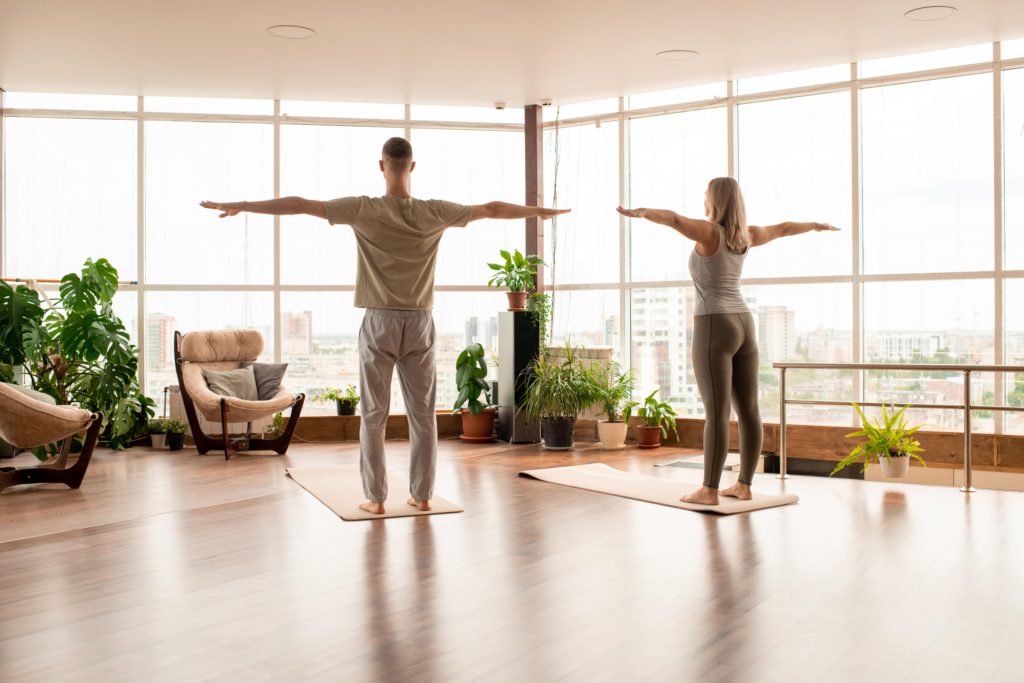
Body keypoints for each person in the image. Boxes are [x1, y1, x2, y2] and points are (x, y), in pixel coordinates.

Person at [202, 136, 568, 515]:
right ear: (412, 166)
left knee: (374, 415)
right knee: (422, 416)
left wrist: (240, 206)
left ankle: (375, 500)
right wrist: (537, 212)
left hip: (379, 321)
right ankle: (422, 495)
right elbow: (491, 208)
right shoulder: (435, 211)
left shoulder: (364, 209)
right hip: (420, 322)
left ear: (382, 166)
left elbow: (297, 204)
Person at [618, 177, 837, 505]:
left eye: (706, 194)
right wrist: (816, 225)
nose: (703, 198)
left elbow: (676, 219)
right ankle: (743, 485)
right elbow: (785, 228)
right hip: (745, 324)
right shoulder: (746, 235)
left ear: (715, 200)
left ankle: (708, 490)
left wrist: (644, 212)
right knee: (748, 409)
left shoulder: (710, 233)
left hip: (714, 324)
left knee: (717, 412)